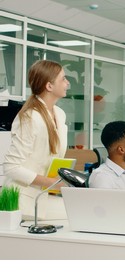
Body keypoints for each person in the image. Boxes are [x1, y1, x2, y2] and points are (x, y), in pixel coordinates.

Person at [3, 60, 70, 221]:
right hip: (23, 200)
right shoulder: (29, 117)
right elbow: (11, 167)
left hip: (45, 195)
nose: (67, 83)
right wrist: (51, 182)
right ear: (49, 86)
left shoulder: (59, 114)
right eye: (63, 79)